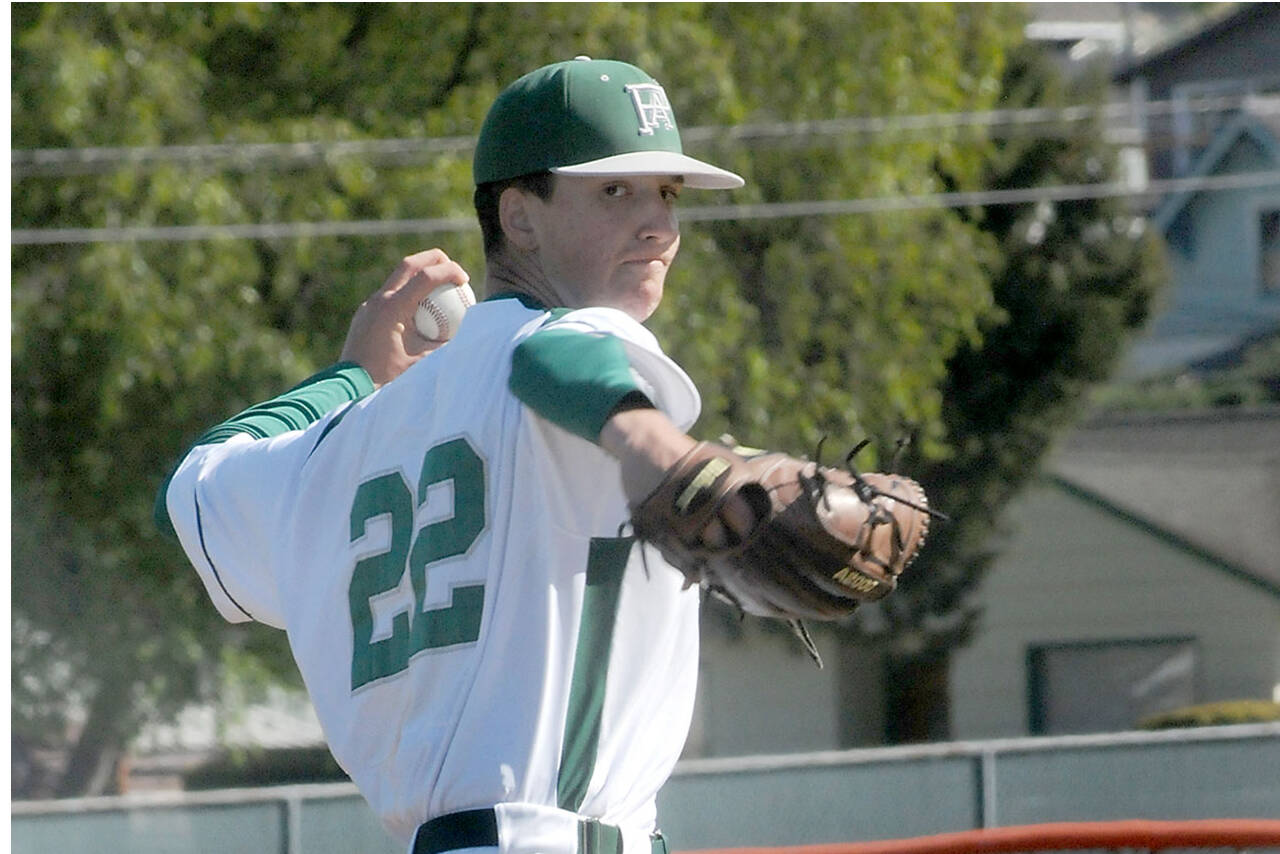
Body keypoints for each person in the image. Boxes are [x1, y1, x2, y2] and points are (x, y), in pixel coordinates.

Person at [156, 57, 748, 854]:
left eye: (667, 194)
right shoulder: (588, 347)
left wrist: (351, 378)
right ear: (520, 217)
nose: (659, 226)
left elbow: (200, 484)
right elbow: (555, 363)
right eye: (615, 191)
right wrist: (651, 441)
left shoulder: (346, 441)